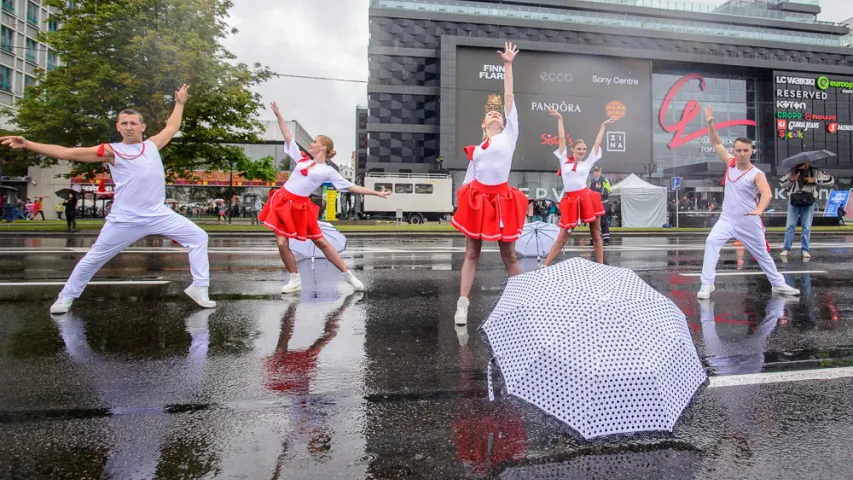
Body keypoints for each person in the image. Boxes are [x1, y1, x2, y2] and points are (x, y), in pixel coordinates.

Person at [1, 84, 216, 313]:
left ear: (142, 126)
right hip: (125, 219)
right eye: (124, 123)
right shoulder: (111, 150)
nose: (129, 127)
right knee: (94, 258)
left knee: (198, 237)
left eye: (133, 123)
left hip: (159, 214)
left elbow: (172, 127)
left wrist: (180, 103)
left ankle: (199, 287)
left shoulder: (153, 145)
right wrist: (28, 144)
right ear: (118, 127)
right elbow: (66, 152)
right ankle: (66, 297)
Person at [262, 100, 389, 294]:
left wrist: (376, 193)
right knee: (281, 242)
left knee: (321, 242)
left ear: (323, 148)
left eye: (314, 141)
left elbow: (351, 187)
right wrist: (279, 115)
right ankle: (294, 279)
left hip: (300, 207)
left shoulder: (327, 171)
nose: (311, 143)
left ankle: (349, 276)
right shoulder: (302, 159)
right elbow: (288, 135)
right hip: (281, 201)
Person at [451, 42, 526, 326]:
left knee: (509, 254)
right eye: (490, 115)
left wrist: (508, 65)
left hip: (503, 199)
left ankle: (522, 301)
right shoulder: (479, 148)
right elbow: (470, 179)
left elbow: (508, 96)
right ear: (483, 124)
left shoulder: (509, 135)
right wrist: (462, 205)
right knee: (472, 252)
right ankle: (462, 304)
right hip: (477, 199)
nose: (495, 115)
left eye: (498, 114)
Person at [697, 105, 799, 299]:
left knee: (762, 254)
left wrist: (759, 209)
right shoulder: (730, 164)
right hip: (727, 220)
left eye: (745, 150)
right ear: (734, 152)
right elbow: (716, 143)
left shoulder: (756, 174)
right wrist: (710, 123)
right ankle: (707, 284)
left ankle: (778, 284)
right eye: (738, 150)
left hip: (748, 221)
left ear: (751, 151)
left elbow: (767, 193)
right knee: (711, 242)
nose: (741, 153)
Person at [542, 109, 618, 266]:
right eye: (579, 149)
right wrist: (560, 119)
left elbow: (597, 143)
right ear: (573, 150)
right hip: (571, 200)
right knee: (563, 236)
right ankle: (545, 265)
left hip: (587, 198)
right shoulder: (564, 160)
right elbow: (562, 138)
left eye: (584, 149)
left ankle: (601, 265)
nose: (582, 151)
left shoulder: (588, 162)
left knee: (596, 234)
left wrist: (603, 126)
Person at [779, 161, 833, 259]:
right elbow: (781, 182)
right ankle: (786, 249)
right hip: (794, 200)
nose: (802, 165)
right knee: (790, 226)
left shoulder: (815, 171)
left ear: (808, 162)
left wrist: (815, 180)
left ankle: (805, 250)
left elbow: (831, 180)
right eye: (800, 162)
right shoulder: (793, 171)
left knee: (806, 227)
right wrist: (791, 179)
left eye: (804, 163)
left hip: (808, 200)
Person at [588, 166, 612, 245]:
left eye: (597, 171)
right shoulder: (591, 181)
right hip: (594, 205)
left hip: (603, 204)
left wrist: (600, 188)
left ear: (600, 172)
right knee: (593, 222)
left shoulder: (604, 180)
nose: (596, 172)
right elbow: (589, 192)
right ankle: (593, 240)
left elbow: (609, 191)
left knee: (603, 222)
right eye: (595, 171)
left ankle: (606, 240)